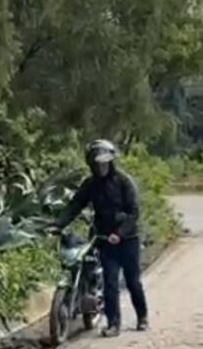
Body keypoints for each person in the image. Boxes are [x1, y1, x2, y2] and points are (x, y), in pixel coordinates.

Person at [55, 140, 147, 337]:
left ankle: (142, 316)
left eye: (104, 163)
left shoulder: (124, 182)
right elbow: (75, 205)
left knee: (133, 281)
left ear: (110, 162)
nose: (101, 167)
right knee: (110, 281)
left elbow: (134, 213)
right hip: (104, 239)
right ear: (91, 165)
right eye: (97, 164)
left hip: (128, 239)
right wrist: (58, 224)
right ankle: (113, 324)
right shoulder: (90, 185)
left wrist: (120, 233)